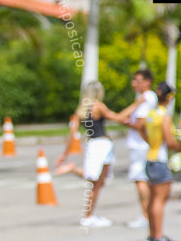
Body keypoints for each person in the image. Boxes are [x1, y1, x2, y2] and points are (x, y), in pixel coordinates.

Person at [54, 81, 135, 227]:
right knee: (95, 184)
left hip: (92, 144)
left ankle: (90, 214)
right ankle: (87, 216)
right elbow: (118, 117)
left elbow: (72, 135)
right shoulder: (98, 106)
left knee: (98, 182)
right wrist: (137, 104)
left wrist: (64, 154)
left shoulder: (80, 111)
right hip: (102, 145)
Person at [141, 82, 180, 241]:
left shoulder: (151, 113)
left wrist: (151, 143)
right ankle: (158, 236)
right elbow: (170, 141)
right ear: (169, 97)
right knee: (160, 200)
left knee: (152, 200)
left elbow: (140, 128)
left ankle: (152, 235)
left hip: (150, 157)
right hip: (160, 160)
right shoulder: (165, 115)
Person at [125, 69, 158, 230]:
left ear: (147, 82)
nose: (134, 83)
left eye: (137, 80)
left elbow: (140, 124)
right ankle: (147, 214)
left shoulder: (147, 97)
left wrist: (124, 122)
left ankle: (146, 215)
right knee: (143, 180)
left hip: (141, 146)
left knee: (140, 179)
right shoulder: (142, 97)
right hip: (142, 145)